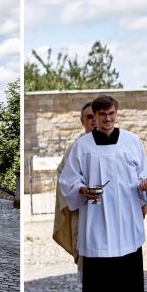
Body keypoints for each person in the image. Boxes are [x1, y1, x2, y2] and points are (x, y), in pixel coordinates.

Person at [58, 95, 147, 292]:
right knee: (101, 275)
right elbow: (69, 180)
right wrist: (82, 190)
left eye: (111, 113)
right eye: (102, 114)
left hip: (125, 216)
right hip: (97, 217)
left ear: (116, 113)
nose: (107, 118)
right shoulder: (83, 146)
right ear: (95, 116)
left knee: (125, 271)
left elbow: (142, 174)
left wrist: (145, 184)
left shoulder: (131, 141)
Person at [53, 102, 96, 279]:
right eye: (89, 117)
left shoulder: (118, 146)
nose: (94, 120)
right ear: (82, 121)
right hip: (84, 211)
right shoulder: (77, 148)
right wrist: (78, 189)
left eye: (96, 115)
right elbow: (63, 176)